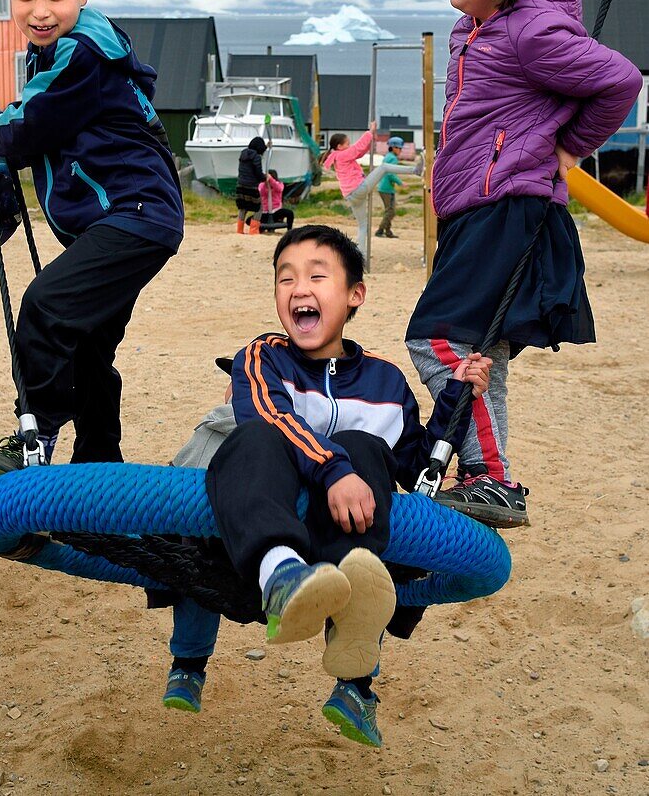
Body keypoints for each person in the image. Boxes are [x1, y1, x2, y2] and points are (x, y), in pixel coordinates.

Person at [164, 224, 490, 747]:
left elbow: (414, 467)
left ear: (354, 294)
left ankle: (356, 671)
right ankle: (272, 587)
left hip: (344, 536)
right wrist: (333, 471)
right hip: (256, 523)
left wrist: (455, 400)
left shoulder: (386, 382)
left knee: (366, 448)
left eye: (318, 276)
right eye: (285, 278)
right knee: (252, 440)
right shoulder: (262, 356)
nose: (298, 289)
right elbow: (268, 414)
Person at [406, 0, 643, 529]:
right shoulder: (471, 31)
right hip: (472, 213)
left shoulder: (531, 31)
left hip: (507, 210)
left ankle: (488, 476)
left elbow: (619, 81)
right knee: (483, 354)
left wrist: (567, 147)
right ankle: (492, 478)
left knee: (436, 340)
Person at [0, 0, 184, 480]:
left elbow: (27, 128)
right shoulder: (62, 52)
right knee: (87, 348)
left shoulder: (81, 52)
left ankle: (33, 437)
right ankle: (97, 468)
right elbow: (46, 131)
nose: (40, 10)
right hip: (131, 220)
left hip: (132, 215)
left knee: (44, 308)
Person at [323, 123, 421, 254]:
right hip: (358, 189)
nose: (349, 146)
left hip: (350, 196)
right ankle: (415, 170)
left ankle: (361, 255)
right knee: (384, 168)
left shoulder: (338, 156)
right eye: (347, 144)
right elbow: (357, 148)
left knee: (363, 226)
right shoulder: (342, 155)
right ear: (339, 147)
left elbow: (359, 152)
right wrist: (369, 132)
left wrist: (371, 138)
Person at [375, 136, 415, 239]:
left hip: (384, 188)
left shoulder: (388, 156)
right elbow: (390, 174)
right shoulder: (392, 158)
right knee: (391, 211)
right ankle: (380, 230)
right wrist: (400, 182)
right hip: (386, 188)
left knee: (389, 210)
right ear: (393, 148)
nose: (400, 150)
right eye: (399, 148)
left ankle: (388, 232)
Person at [235, 136, 271, 235]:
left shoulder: (243, 153)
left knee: (243, 207)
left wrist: (266, 147)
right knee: (259, 208)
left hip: (240, 185)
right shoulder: (256, 157)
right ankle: (253, 231)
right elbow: (258, 173)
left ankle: (239, 230)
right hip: (251, 186)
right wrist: (265, 178)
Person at [258, 168, 294, 233]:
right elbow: (261, 192)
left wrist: (271, 180)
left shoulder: (279, 184)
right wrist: (265, 182)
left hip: (276, 211)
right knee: (249, 220)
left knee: (290, 213)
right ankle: (262, 229)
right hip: (265, 211)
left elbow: (279, 189)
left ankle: (289, 230)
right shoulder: (262, 185)